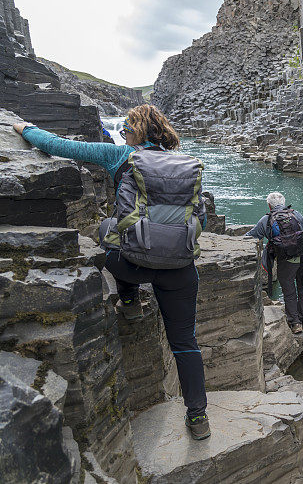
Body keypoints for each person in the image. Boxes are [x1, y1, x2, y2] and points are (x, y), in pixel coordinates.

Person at [13, 104, 211, 441]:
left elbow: (60, 146)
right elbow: (200, 220)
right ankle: (198, 417)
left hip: (132, 265)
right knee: (185, 344)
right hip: (179, 270)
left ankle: (131, 302)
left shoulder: (120, 156)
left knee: (107, 228)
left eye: (127, 128)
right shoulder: (186, 164)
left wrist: (24, 129)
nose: (123, 133)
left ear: (135, 130)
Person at [247, 192, 303, 334]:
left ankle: (296, 324)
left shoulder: (266, 220)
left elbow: (251, 236)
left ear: (269, 205)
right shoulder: (296, 215)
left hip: (285, 261)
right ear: (284, 203)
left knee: (289, 292)